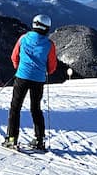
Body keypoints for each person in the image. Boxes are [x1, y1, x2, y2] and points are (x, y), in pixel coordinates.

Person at [4, 14, 58, 151]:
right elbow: (52, 67)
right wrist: (45, 71)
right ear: (46, 28)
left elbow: (14, 56)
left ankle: (12, 138)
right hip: (38, 80)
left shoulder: (23, 38)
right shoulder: (49, 44)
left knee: (15, 107)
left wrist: (19, 68)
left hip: (21, 77)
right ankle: (39, 140)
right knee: (36, 109)